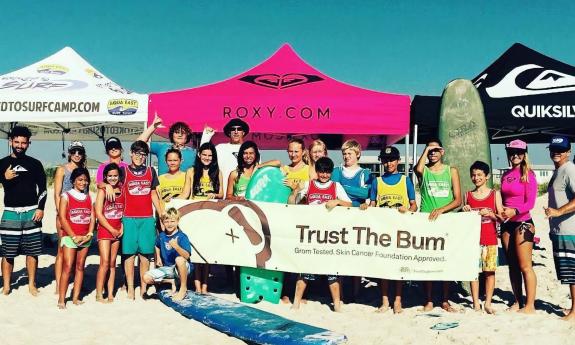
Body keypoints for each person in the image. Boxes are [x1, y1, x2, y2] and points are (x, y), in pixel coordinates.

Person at [289, 157, 351, 312]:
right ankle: (296, 302)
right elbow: (292, 204)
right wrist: (295, 191)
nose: (324, 175)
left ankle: (336, 304)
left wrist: (337, 201)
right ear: (316, 171)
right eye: (321, 171)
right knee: (304, 271)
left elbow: (349, 204)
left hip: (329, 237)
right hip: (311, 235)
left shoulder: (336, 186)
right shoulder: (309, 185)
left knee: (332, 272)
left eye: (327, 172)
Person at [102, 140, 162, 299]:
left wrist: (161, 213)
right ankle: (130, 288)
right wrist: (105, 186)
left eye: (143, 154)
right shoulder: (124, 170)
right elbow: (109, 180)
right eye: (137, 153)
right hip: (128, 218)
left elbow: (153, 193)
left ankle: (143, 288)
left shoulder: (151, 171)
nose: (140, 157)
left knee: (145, 256)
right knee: (128, 255)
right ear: (130, 153)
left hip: (147, 218)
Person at [361, 146, 417, 314]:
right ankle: (385, 300)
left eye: (392, 159)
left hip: (400, 231)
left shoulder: (405, 180)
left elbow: (414, 206)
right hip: (382, 232)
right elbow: (372, 205)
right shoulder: (376, 182)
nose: (389, 163)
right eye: (385, 160)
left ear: (398, 161)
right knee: (384, 266)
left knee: (398, 266)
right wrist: (365, 207)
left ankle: (398, 299)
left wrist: (408, 210)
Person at [414, 138, 462, 312]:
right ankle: (428, 299)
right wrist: (427, 149)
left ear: (443, 152)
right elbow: (417, 169)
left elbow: (458, 199)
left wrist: (442, 210)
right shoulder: (424, 170)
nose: (433, 153)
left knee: (445, 261)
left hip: (446, 220)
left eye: (436, 150)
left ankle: (445, 299)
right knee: (428, 261)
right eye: (430, 150)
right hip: (426, 220)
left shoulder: (451, 171)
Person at [0, 125, 46, 296]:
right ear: (11, 141)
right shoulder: (2, 163)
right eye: (16, 142)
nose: (19, 145)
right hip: (10, 212)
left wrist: (41, 208)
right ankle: (6, 286)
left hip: (32, 212)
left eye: (23, 143)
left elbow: (43, 188)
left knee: (32, 251)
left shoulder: (34, 164)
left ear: (29, 144)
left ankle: (32, 285)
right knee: (7, 252)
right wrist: (3, 178)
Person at [500, 139, 537, 313]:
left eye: (519, 152)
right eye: (512, 152)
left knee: (525, 266)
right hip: (506, 224)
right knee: (512, 265)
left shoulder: (529, 174)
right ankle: (517, 301)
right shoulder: (505, 175)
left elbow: (530, 203)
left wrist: (514, 211)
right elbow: (502, 200)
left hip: (523, 223)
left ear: (524, 154)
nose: (515, 155)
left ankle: (530, 305)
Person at [181, 142, 223, 294]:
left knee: (207, 253)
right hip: (195, 215)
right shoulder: (191, 171)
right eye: (204, 154)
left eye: (210, 155)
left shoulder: (218, 172)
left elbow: (222, 194)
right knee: (196, 253)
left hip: (211, 216)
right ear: (199, 155)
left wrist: (214, 194)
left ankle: (205, 286)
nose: (207, 158)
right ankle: (198, 287)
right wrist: (170, 202)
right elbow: (186, 194)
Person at [462, 161, 503, 314]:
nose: (476, 178)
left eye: (479, 175)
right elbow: (463, 221)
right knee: (474, 272)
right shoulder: (468, 195)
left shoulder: (495, 194)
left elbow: (501, 218)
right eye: (473, 175)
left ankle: (487, 302)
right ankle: (475, 303)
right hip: (473, 241)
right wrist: (464, 210)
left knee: (490, 272)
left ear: (487, 176)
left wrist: (491, 214)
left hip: (491, 240)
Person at [544, 136, 575, 321]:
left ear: (568, 152)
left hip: (570, 230)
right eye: (554, 149)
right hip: (560, 230)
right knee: (569, 273)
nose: (556, 153)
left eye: (561, 150)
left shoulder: (570, 169)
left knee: (573, 273)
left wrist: (558, 211)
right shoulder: (558, 171)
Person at [57, 168, 95, 309]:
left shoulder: (89, 197)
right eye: (80, 179)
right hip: (70, 238)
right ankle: (61, 299)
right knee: (67, 267)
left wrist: (90, 234)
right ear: (73, 181)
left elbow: (92, 217)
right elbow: (62, 218)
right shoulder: (66, 196)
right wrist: (73, 236)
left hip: (85, 238)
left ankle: (76, 297)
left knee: (80, 267)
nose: (83, 182)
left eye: (85, 180)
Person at [53, 141, 88, 294]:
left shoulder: (84, 171)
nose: (77, 154)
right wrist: (61, 215)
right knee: (62, 251)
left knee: (78, 251)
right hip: (64, 215)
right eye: (74, 151)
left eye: (79, 152)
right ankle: (59, 284)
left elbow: (85, 195)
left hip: (80, 217)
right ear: (69, 153)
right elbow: (56, 193)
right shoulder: (62, 169)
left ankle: (74, 284)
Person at [143, 207, 192, 301]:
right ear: (163, 223)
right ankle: (171, 281)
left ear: (177, 221)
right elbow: (157, 245)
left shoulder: (182, 236)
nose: (169, 224)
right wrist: (159, 258)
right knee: (146, 277)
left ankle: (183, 288)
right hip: (168, 269)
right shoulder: (161, 236)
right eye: (167, 221)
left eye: (172, 221)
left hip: (182, 268)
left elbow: (187, 256)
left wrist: (176, 246)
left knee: (179, 259)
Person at [95, 163, 125, 303]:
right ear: (105, 177)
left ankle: (111, 293)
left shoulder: (122, 190)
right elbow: (98, 214)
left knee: (113, 263)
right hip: (105, 229)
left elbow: (124, 211)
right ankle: (99, 293)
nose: (113, 178)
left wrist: (122, 227)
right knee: (105, 262)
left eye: (115, 176)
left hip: (118, 229)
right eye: (110, 176)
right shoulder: (102, 191)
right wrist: (110, 229)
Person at [201, 119, 250, 197]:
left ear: (243, 132)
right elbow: (203, 155)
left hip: (244, 198)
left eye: (239, 129)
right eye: (233, 129)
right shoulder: (220, 148)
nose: (236, 131)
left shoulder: (251, 150)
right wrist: (206, 136)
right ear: (229, 133)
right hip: (221, 196)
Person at [330, 140, 371, 207]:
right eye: (344, 154)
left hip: (358, 212)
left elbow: (366, 193)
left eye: (349, 153)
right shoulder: (336, 171)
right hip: (340, 211)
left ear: (358, 154)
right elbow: (334, 191)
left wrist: (342, 188)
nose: (346, 156)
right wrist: (357, 191)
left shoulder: (365, 173)